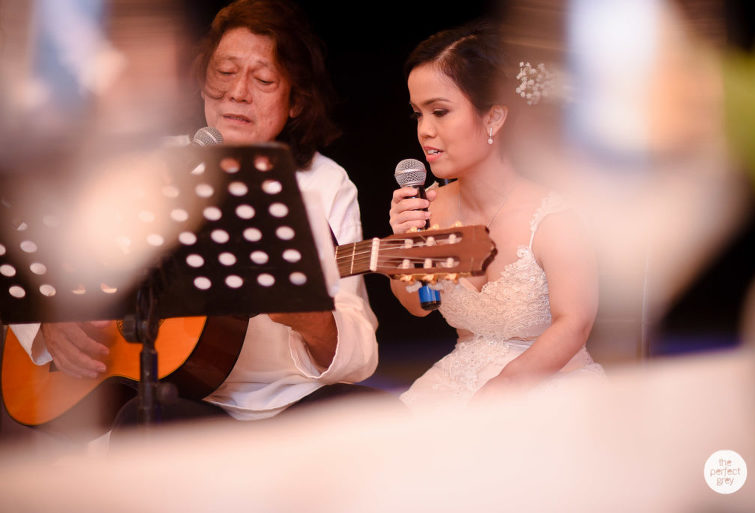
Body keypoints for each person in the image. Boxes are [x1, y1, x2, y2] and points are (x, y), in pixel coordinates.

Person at [9, 0, 379, 433]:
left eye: (263, 79)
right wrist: (48, 319)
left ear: (296, 101)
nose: (239, 92)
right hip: (180, 398)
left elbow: (361, 348)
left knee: (378, 418)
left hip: (290, 402)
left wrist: (309, 319)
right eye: (224, 73)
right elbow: (33, 232)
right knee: (141, 427)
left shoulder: (326, 182)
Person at [388, 20, 604, 412]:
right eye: (418, 114)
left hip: (547, 386)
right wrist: (405, 247)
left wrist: (506, 387)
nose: (425, 131)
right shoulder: (429, 208)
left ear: (494, 117)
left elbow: (574, 324)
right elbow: (420, 306)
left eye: (439, 112)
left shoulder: (554, 217)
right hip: (456, 383)